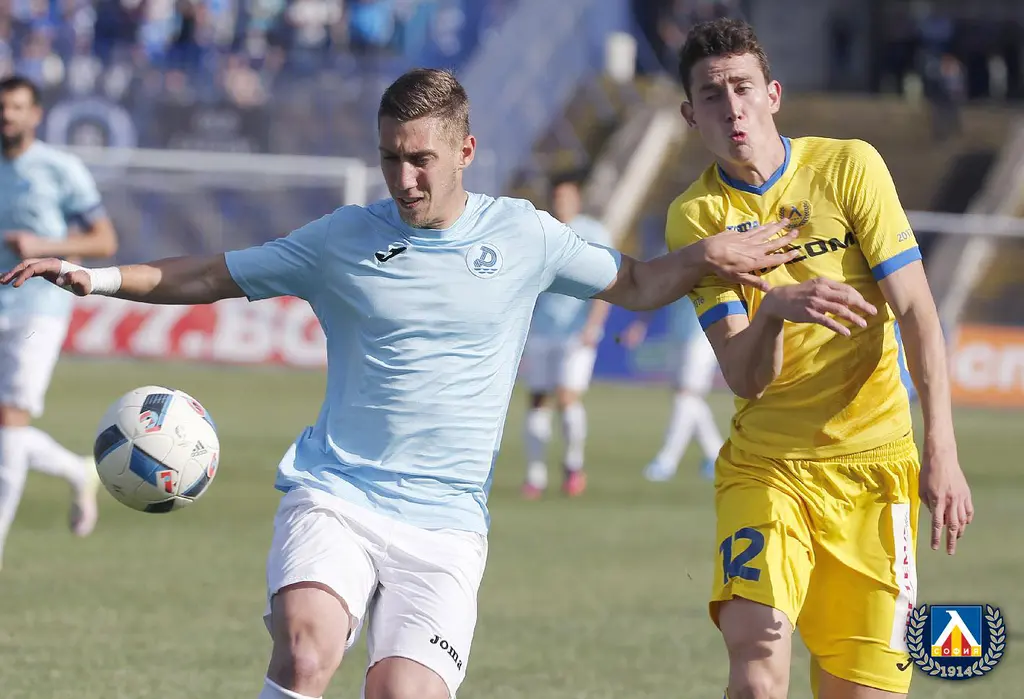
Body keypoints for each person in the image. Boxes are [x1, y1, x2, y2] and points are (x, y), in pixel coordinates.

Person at [2, 68, 800, 699]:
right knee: (307, 645)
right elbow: (213, 273)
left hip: (447, 524)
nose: (404, 178)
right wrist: (96, 277)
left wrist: (706, 256)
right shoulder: (342, 238)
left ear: (465, 150)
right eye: (391, 158)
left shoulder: (524, 234)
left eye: (421, 159)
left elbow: (637, 283)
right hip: (337, 492)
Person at [668, 19, 974, 699]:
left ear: (773, 94)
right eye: (712, 95)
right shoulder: (697, 218)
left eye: (743, 87)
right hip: (769, 468)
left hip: (876, 471)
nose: (731, 107)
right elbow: (744, 376)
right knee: (757, 667)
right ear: (691, 115)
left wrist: (942, 450)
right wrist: (774, 310)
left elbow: (918, 313)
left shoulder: (849, 167)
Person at [0, 75, 118, 570]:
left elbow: (104, 241)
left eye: (16, 107)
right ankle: (76, 470)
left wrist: (45, 247)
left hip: (38, 308)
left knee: (11, 421)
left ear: (35, 115)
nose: (7, 114)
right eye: (2, 106)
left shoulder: (59, 169)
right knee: (6, 432)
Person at [520, 172, 613, 499]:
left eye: (566, 197)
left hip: (576, 333)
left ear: (577, 200)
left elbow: (607, 283)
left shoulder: (593, 232)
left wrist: (593, 325)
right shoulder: (539, 230)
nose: (561, 203)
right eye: (556, 197)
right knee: (537, 400)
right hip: (540, 330)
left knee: (566, 397)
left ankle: (573, 466)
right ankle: (535, 475)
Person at [620, 295, 724, 482]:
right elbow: (660, 289)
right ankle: (717, 456)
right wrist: (641, 324)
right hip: (678, 332)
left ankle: (666, 461)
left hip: (704, 335)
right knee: (688, 398)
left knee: (685, 395)